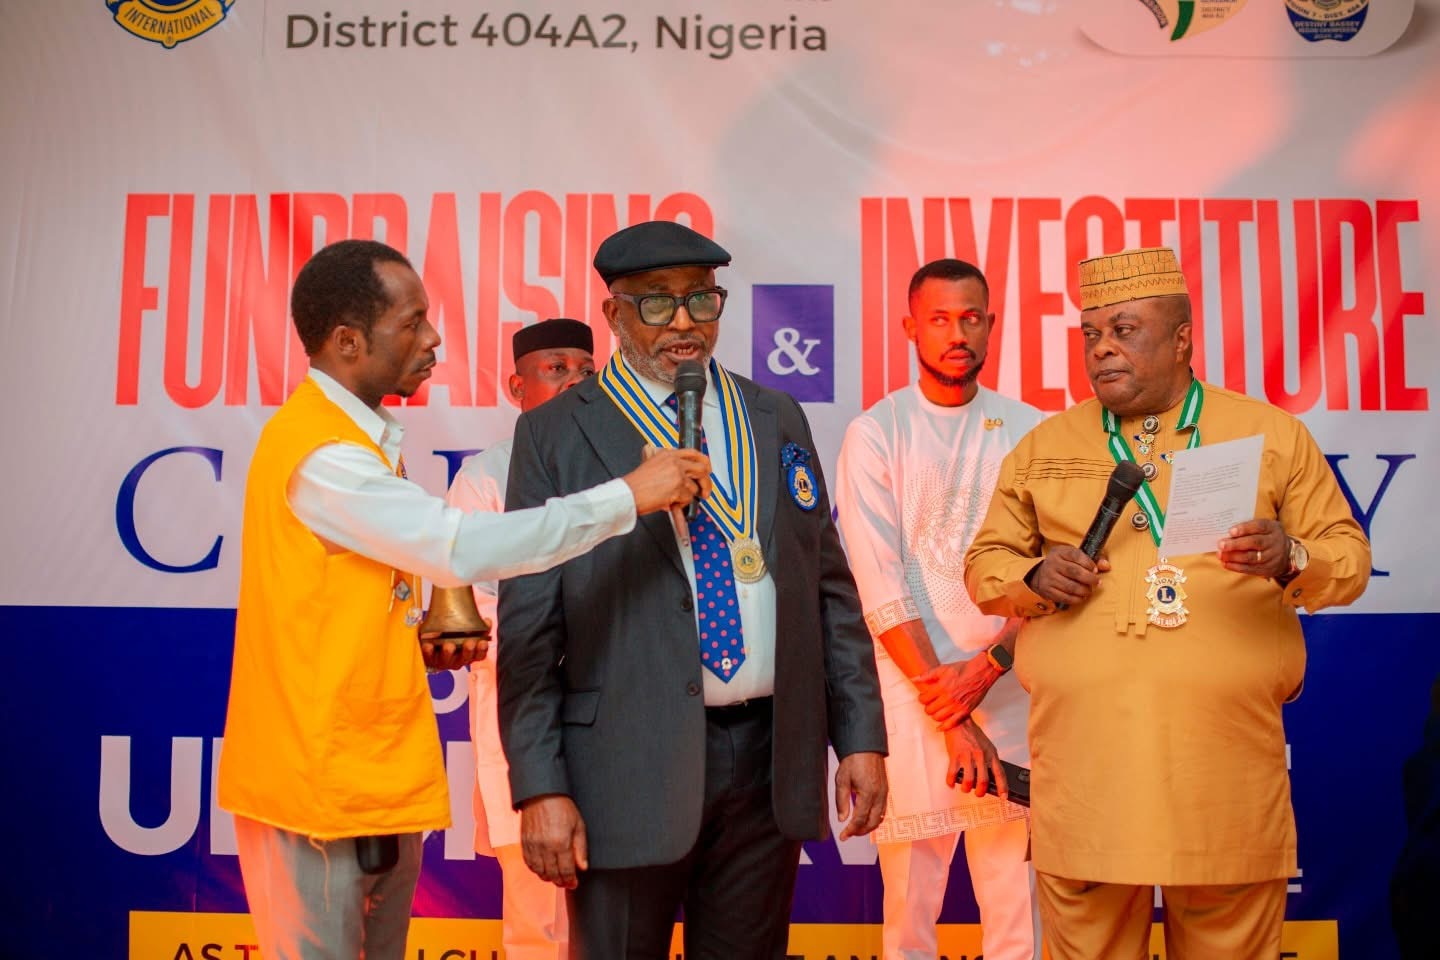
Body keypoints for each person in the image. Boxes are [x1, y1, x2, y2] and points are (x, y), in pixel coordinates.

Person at [217, 240, 710, 960]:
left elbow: (350, 600)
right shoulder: (322, 454)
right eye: (411, 323)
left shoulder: (362, 442)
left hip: (370, 777)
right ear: (348, 341)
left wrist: (422, 633)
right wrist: (626, 497)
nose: (433, 339)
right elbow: (457, 545)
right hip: (314, 786)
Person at [964, 246, 1371, 959]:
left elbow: (1350, 559)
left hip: (1221, 773)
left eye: (1125, 330)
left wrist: (1291, 556)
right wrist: (1032, 577)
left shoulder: (1271, 436)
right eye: (1091, 334)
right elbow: (984, 566)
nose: (1102, 348)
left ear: (1183, 339)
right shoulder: (1045, 446)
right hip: (1088, 773)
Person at [497, 220, 889, 960]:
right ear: (613, 313)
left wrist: (861, 737)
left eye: (701, 299)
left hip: (767, 760)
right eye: (657, 302)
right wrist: (540, 785)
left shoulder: (774, 415)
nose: (683, 322)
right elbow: (528, 627)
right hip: (622, 764)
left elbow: (828, 590)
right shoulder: (555, 434)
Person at [836, 258, 1042, 960]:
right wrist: (952, 714)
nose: (958, 334)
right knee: (909, 920)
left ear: (991, 325)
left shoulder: (1031, 431)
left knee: (1019, 917)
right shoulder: (877, 432)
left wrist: (988, 669)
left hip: (1011, 691)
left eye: (971, 318)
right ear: (910, 328)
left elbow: (1051, 575)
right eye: (941, 319)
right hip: (913, 698)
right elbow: (879, 583)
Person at [446, 317, 597, 959]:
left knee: (618, 920)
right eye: (556, 368)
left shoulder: (623, 470)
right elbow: (474, 608)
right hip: (529, 714)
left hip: (617, 720)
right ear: (516, 386)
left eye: (587, 370)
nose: (575, 382)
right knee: (539, 925)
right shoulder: (486, 479)